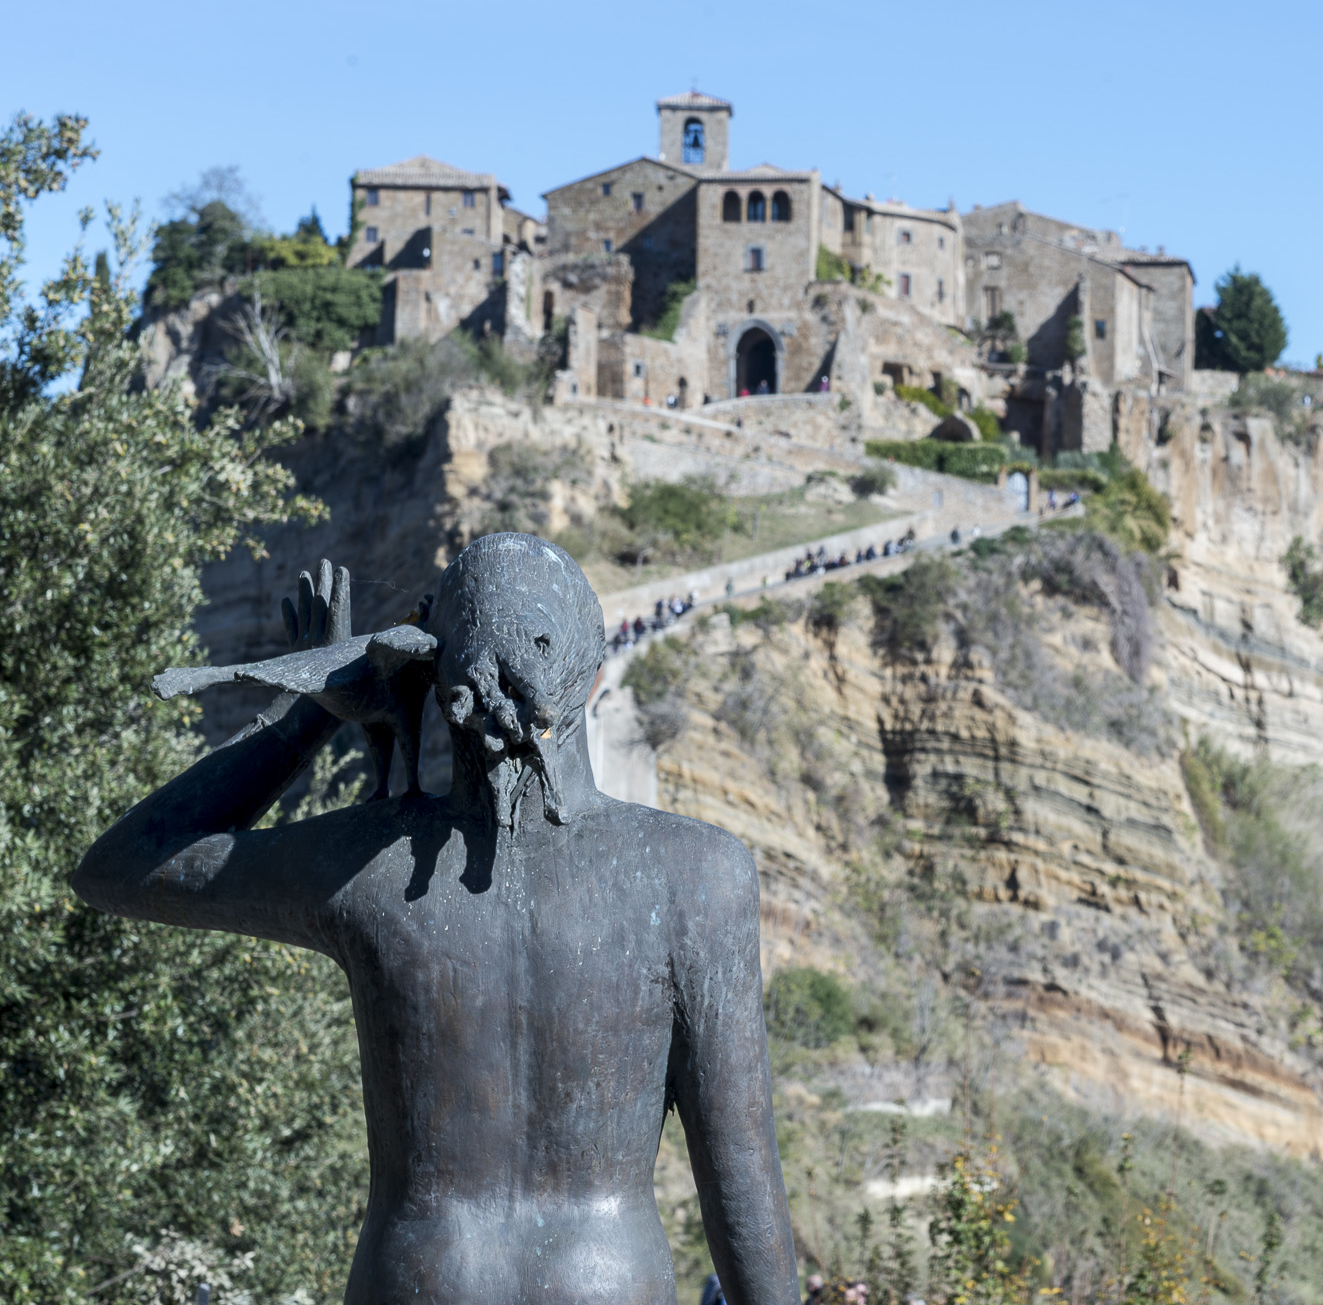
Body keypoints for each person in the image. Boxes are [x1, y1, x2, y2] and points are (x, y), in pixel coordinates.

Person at [71, 538, 801, 1304]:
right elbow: (742, 1182)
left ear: (428, 672)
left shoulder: (369, 865)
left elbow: (119, 866)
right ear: (591, 676)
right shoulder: (699, 875)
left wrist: (310, 713)